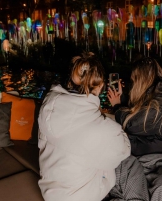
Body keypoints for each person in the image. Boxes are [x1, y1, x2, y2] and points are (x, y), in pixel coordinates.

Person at [38, 52, 131, 201]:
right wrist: (116, 109)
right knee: (125, 163)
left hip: (50, 192)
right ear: (101, 85)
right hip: (82, 197)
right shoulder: (104, 129)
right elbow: (124, 150)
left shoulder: (49, 106)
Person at [107, 57, 162, 201]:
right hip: (142, 159)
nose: (132, 82)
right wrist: (122, 100)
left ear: (141, 78)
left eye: (134, 78)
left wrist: (117, 107)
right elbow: (137, 119)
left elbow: (134, 124)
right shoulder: (148, 97)